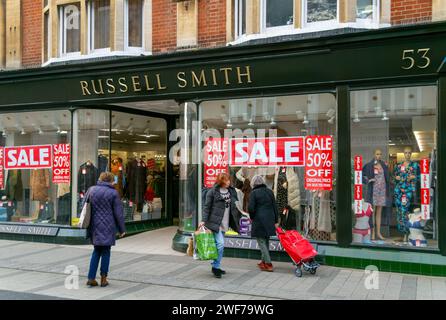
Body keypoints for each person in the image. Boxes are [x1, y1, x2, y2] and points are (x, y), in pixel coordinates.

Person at [85, 172, 126, 287]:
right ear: (111, 181)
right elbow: (119, 213)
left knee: (96, 251)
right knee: (106, 252)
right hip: (108, 226)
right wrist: (122, 229)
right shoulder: (113, 193)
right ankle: (103, 279)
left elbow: (84, 206)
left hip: (94, 225)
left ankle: (91, 278)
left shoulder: (91, 190)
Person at [200, 173, 240, 278]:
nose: (228, 182)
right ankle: (215, 266)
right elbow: (207, 207)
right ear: (221, 181)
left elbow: (235, 205)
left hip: (225, 222)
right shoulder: (212, 192)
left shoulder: (231, 191)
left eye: (229, 180)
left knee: (220, 245)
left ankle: (216, 266)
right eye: (226, 181)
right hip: (215, 223)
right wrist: (203, 220)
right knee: (221, 244)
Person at [248, 175, 279, 272]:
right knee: (266, 241)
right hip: (270, 219)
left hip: (259, 220)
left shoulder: (254, 193)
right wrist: (276, 221)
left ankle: (268, 263)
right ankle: (263, 261)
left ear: (253, 183)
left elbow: (251, 208)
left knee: (261, 242)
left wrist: (251, 217)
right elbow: (275, 207)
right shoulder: (269, 192)